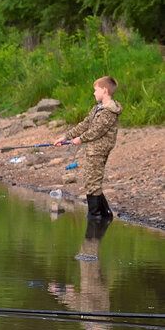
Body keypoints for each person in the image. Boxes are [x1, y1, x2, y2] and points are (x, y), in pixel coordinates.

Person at [54, 76, 122, 221]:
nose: (93, 93)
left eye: (95, 90)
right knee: (91, 180)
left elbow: (98, 130)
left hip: (99, 150)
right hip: (92, 149)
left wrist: (81, 139)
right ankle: (104, 214)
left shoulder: (109, 111)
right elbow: (85, 124)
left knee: (93, 182)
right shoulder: (97, 108)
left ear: (104, 90)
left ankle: (95, 215)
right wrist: (66, 137)